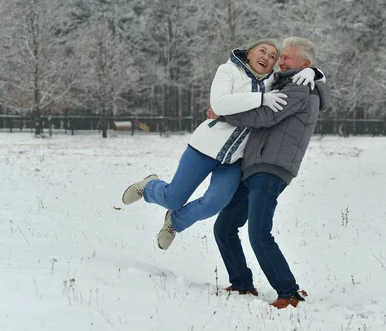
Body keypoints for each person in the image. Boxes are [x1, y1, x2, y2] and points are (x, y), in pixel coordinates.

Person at [121, 39, 319, 250]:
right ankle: (149, 186)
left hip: (234, 160)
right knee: (173, 199)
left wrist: (315, 72)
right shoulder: (229, 71)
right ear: (249, 53)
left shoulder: (273, 81)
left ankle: (174, 223)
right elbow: (220, 103)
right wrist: (260, 98)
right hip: (204, 148)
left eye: (273, 56)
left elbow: (298, 69)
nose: (267, 57)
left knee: (213, 204)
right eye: (262, 51)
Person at [211, 37, 332, 309]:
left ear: (305, 64)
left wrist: (223, 114)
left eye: (287, 58)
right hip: (254, 166)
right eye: (282, 56)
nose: (281, 61)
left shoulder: (302, 88)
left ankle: (288, 292)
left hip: (272, 167)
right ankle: (242, 283)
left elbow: (265, 116)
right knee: (225, 226)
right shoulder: (287, 81)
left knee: (259, 233)